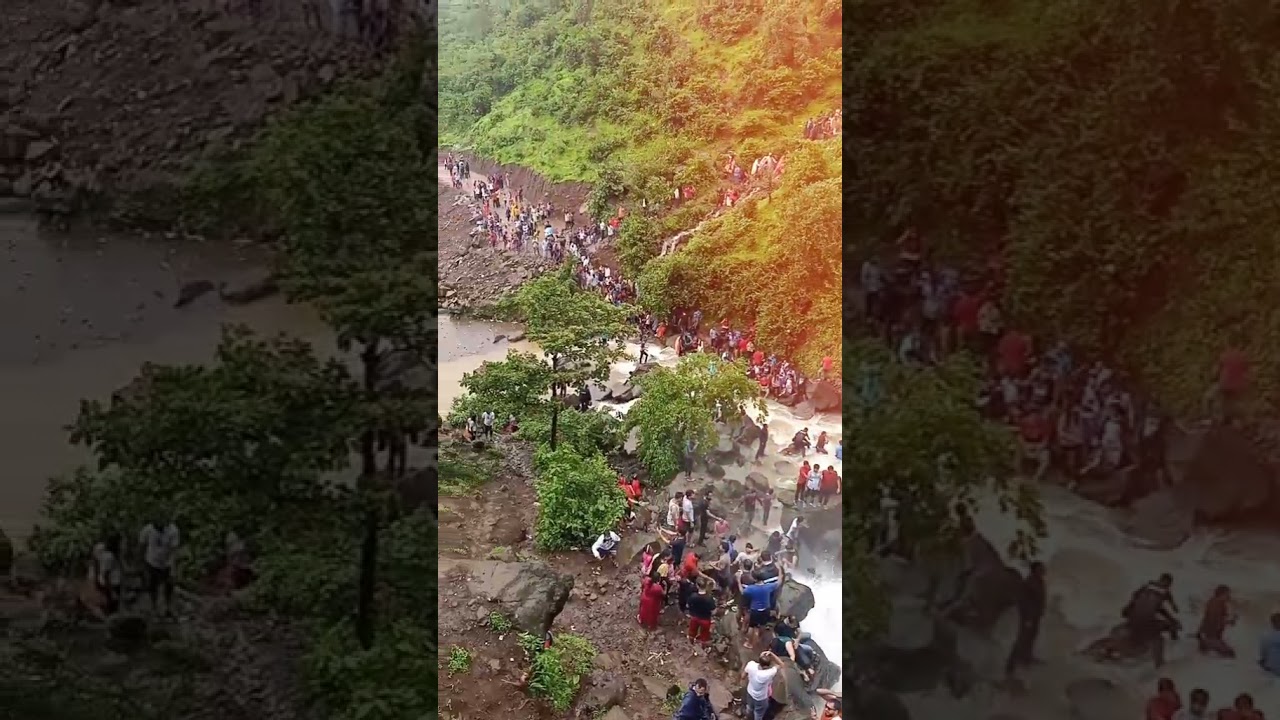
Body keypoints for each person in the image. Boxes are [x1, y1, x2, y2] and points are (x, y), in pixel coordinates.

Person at [1005, 561, 1046, 677]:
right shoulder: (1030, 582)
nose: (1044, 570)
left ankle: (1026, 658)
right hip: (1029, 616)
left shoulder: (1038, 581)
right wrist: (1028, 617)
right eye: (1041, 568)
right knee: (1022, 639)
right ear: (1035, 569)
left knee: (1030, 638)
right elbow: (1026, 601)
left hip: (1035, 615)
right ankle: (1010, 666)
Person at [139, 517, 181, 616]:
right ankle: (154, 607)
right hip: (151, 561)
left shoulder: (173, 530)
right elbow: (142, 545)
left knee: (169, 585)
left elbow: (174, 550)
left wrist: (173, 567)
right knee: (152, 585)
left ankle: (168, 606)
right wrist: (141, 563)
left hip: (167, 562)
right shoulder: (147, 530)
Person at [741, 574, 781, 648]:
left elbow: (743, 592)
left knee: (752, 627)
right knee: (763, 625)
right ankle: (759, 637)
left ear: (755, 579)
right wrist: (781, 571)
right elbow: (779, 582)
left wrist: (738, 582)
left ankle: (749, 643)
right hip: (766, 610)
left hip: (755, 610)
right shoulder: (768, 587)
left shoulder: (751, 588)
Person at [1196, 585, 1237, 657]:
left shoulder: (1214, 602)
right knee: (1230, 654)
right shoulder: (1217, 604)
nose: (1229, 596)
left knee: (1205, 657)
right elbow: (1214, 621)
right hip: (1211, 638)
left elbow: (1207, 619)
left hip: (1207, 637)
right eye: (1228, 594)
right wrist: (1230, 621)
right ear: (1222, 594)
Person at [742, 652, 781, 720]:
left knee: (749, 707)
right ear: (767, 666)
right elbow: (781, 664)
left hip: (750, 692)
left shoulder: (751, 664)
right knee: (758, 713)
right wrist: (772, 654)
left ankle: (747, 717)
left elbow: (743, 676)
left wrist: (762, 655)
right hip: (761, 698)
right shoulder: (768, 673)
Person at [686, 579, 717, 651]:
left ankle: (691, 644)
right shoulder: (709, 598)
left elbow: (687, 606)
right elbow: (714, 612)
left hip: (694, 618)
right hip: (705, 620)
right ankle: (703, 648)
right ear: (706, 586)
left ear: (697, 586)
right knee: (705, 635)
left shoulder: (693, 596)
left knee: (692, 632)